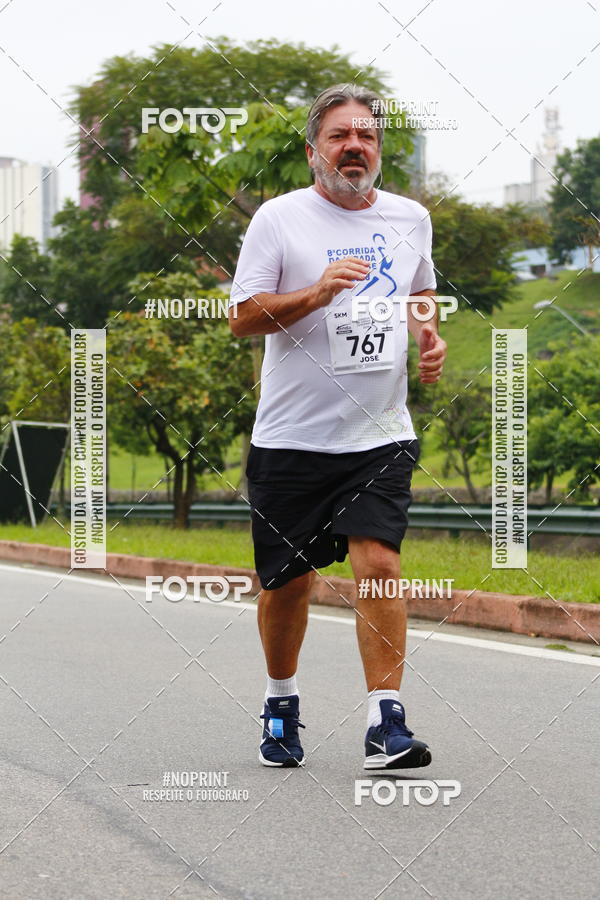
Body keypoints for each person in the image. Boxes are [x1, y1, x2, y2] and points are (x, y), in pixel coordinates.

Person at [228, 83, 447, 770]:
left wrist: (429, 337)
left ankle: (387, 724)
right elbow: (243, 317)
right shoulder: (279, 219)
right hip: (292, 438)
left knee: (378, 562)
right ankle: (280, 702)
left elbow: (418, 292)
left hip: (378, 432)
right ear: (313, 150)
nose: (355, 147)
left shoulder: (411, 218)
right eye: (339, 136)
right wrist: (317, 292)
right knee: (287, 584)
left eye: (367, 137)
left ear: (379, 149)